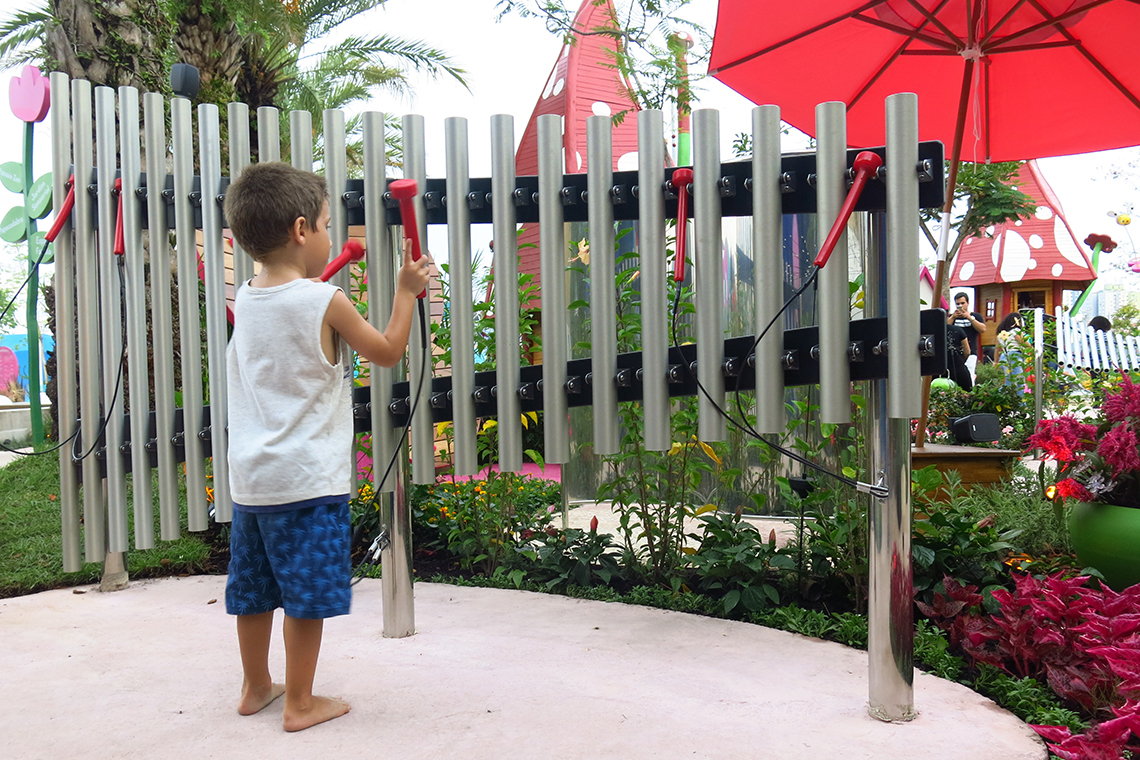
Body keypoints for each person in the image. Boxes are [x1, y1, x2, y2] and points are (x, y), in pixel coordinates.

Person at [221, 162, 433, 732]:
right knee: (306, 597)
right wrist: (406, 292)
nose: (331, 238)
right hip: (307, 483)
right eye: (324, 225)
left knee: (254, 590)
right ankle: (299, 703)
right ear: (299, 231)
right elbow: (388, 350)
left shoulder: (246, 299)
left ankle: (256, 686)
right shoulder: (324, 302)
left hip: (252, 484)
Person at [949, 292, 986, 363]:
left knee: (969, 372)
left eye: (963, 303)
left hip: (971, 351)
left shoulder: (975, 316)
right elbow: (945, 328)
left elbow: (983, 329)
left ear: (968, 303)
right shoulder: (952, 316)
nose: (960, 306)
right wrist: (953, 317)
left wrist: (970, 318)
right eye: (958, 304)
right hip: (955, 352)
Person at [943, 321, 973, 390]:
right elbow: (967, 351)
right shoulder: (958, 330)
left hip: (937, 370)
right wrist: (961, 361)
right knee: (965, 394)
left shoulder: (930, 330)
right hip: (958, 368)